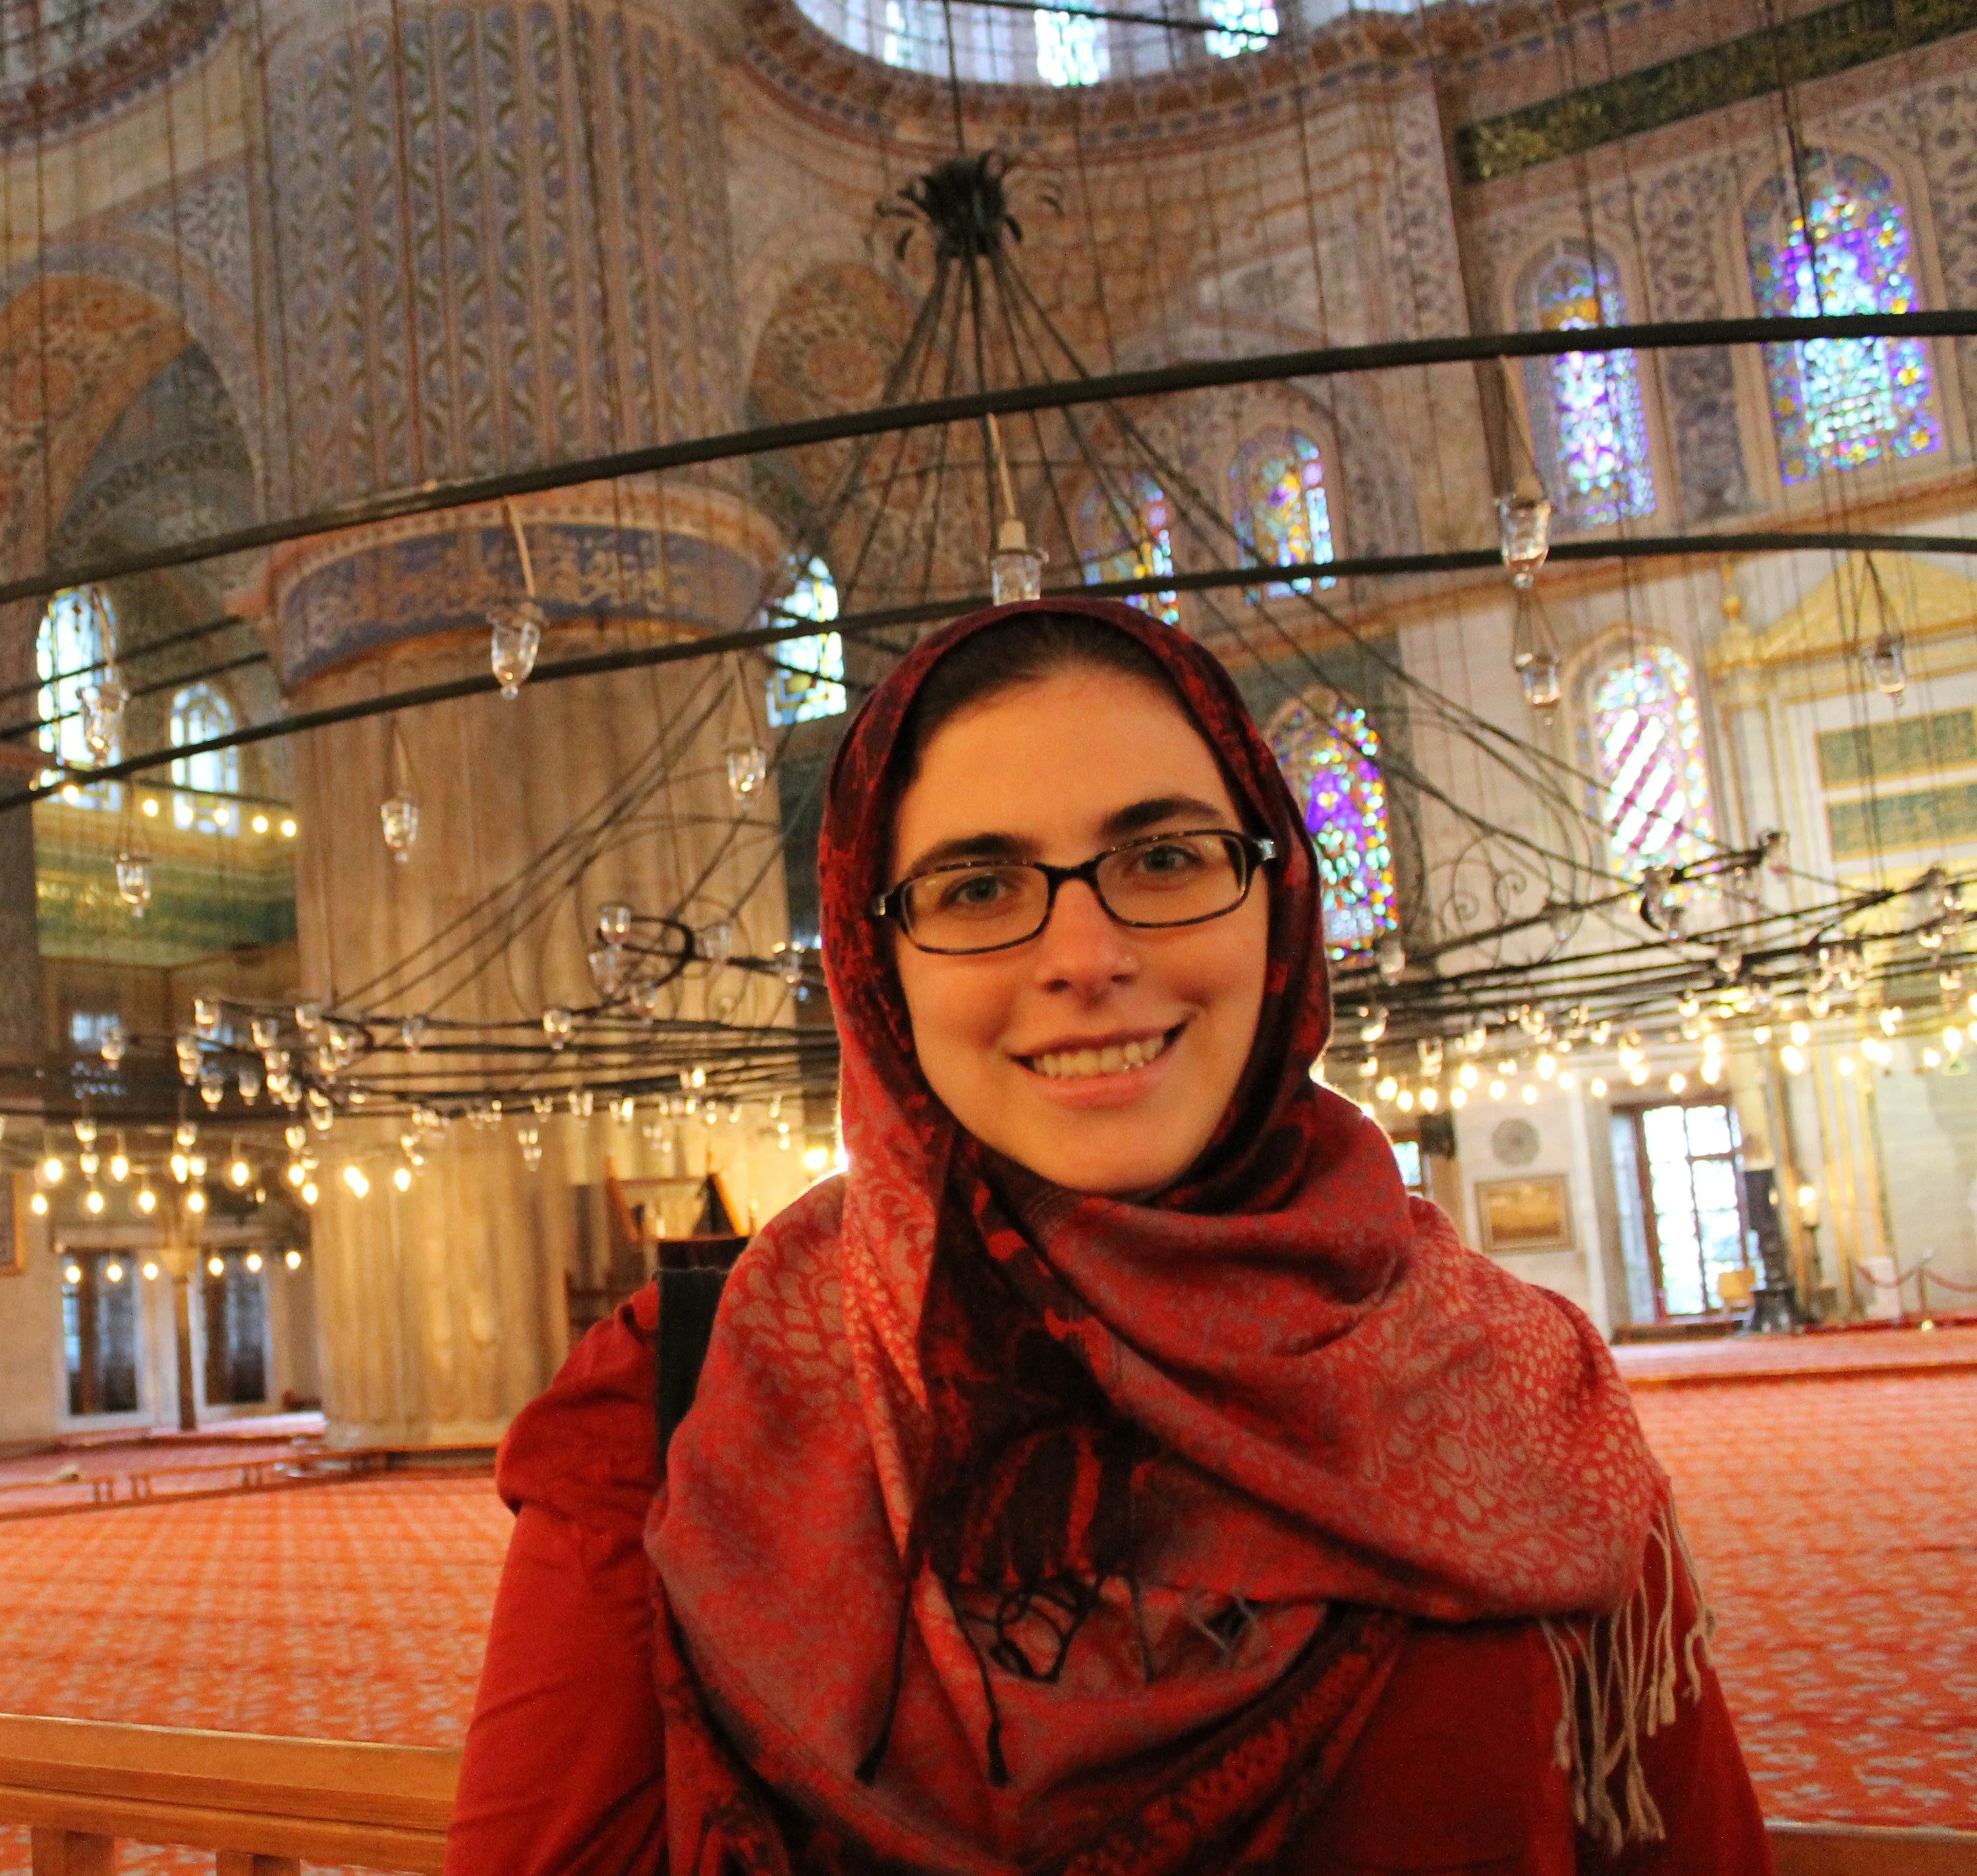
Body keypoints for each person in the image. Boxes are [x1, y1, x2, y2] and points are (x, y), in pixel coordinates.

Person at [446, 601, 1768, 1875]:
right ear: (876, 954)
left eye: (1165, 858)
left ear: (1277, 896)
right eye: (976, 885)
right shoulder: (680, 1406)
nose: (1085, 952)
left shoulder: (1512, 1386)